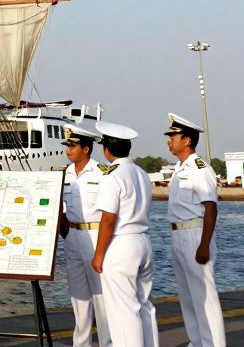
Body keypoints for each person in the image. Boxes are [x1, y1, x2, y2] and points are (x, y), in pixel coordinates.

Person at [91, 122, 159, 347]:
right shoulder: (141, 173)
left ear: (107, 149)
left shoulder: (112, 176)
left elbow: (108, 219)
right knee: (144, 306)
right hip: (143, 241)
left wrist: (99, 254)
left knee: (124, 311)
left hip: (122, 245)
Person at [164, 113, 225, 347]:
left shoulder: (200, 168)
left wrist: (204, 244)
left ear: (187, 140)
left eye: (173, 136)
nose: (169, 141)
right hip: (178, 235)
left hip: (194, 235)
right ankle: (197, 342)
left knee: (204, 298)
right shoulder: (180, 168)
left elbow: (211, 208)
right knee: (188, 297)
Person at [60, 125, 113, 347]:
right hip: (73, 236)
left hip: (94, 235)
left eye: (73, 145)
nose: (68, 150)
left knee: (101, 299)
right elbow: (60, 210)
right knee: (78, 298)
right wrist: (67, 235)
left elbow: (109, 212)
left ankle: (108, 342)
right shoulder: (65, 174)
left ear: (86, 148)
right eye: (68, 146)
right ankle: (80, 344)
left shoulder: (103, 173)